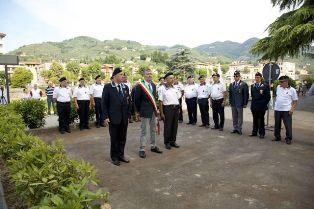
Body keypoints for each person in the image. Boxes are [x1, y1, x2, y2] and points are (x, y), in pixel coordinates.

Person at [102, 67, 131, 166]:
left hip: (124, 118)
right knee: (114, 138)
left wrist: (128, 115)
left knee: (123, 138)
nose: (123, 76)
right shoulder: (108, 87)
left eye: (123, 74)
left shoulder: (125, 87)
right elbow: (104, 103)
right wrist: (105, 117)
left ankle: (121, 155)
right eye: (120, 74)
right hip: (113, 118)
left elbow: (128, 102)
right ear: (114, 76)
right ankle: (114, 157)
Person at [134, 68, 163, 158]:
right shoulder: (140, 86)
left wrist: (156, 110)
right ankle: (142, 149)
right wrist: (138, 111)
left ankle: (153, 146)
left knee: (153, 129)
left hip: (153, 112)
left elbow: (154, 99)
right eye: (147, 74)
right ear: (144, 75)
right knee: (144, 131)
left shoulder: (154, 86)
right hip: (144, 111)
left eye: (151, 74)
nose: (150, 75)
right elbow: (136, 100)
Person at [159, 72, 181, 150]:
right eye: (170, 78)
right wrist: (161, 113)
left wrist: (178, 108)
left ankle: (173, 141)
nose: (172, 79)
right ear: (166, 79)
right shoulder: (162, 88)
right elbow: (160, 101)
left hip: (176, 108)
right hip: (168, 109)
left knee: (175, 126)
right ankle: (167, 142)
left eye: (173, 78)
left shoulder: (175, 87)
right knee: (168, 126)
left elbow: (178, 97)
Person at [273, 75, 298, 145]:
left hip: (287, 110)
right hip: (278, 109)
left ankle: (288, 138)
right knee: (277, 124)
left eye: (282, 82)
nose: (280, 83)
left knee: (288, 125)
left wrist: (292, 109)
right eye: (280, 82)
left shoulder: (292, 90)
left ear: (286, 82)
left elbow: (295, 101)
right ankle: (277, 137)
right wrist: (275, 109)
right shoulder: (278, 87)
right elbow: (277, 99)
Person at [249, 72, 271, 138]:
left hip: (262, 106)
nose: (256, 78)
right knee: (255, 119)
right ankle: (254, 132)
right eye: (255, 77)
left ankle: (262, 133)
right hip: (254, 105)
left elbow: (268, 97)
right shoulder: (253, 86)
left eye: (258, 77)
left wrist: (264, 103)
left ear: (261, 78)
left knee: (261, 120)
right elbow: (252, 95)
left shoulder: (265, 85)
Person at [229, 71, 249, 135]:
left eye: (237, 76)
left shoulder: (243, 84)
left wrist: (245, 103)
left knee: (240, 117)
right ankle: (235, 128)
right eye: (234, 76)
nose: (235, 77)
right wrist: (230, 102)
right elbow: (230, 94)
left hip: (240, 103)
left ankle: (239, 129)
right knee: (234, 116)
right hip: (233, 103)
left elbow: (246, 94)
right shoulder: (231, 84)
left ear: (239, 76)